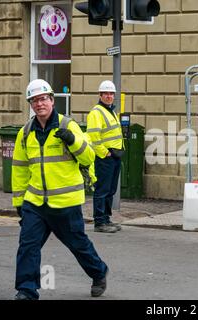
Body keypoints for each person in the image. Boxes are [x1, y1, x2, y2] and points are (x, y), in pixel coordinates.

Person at [12, 79, 109, 300]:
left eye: (43, 98)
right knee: (28, 246)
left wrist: (73, 141)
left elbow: (88, 156)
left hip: (65, 204)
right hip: (35, 203)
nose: (39, 104)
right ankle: (26, 290)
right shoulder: (25, 133)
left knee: (78, 245)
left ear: (52, 101)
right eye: (34, 100)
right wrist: (19, 202)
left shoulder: (68, 126)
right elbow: (19, 169)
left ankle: (99, 272)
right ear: (31, 104)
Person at [86, 80, 124, 233]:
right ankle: (99, 222)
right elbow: (93, 138)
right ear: (100, 95)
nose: (109, 96)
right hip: (104, 158)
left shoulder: (110, 111)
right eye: (106, 94)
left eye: (111, 94)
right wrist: (105, 153)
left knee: (110, 190)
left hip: (114, 156)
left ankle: (106, 219)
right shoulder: (96, 113)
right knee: (102, 190)